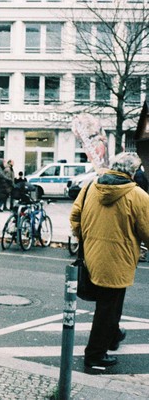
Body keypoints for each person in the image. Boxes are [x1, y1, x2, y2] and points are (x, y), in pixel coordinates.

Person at [70, 152, 149, 370]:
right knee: (109, 307)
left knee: (109, 305)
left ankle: (112, 336)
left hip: (91, 256)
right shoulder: (138, 196)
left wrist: (85, 238)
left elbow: (75, 216)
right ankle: (94, 355)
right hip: (119, 260)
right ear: (132, 172)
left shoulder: (90, 187)